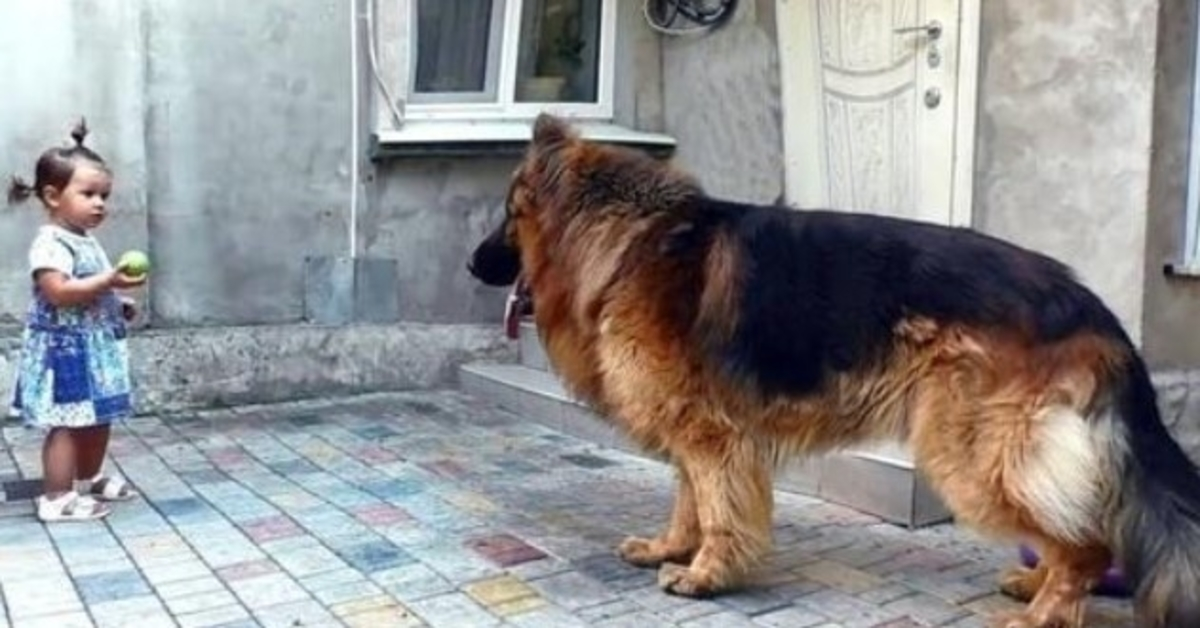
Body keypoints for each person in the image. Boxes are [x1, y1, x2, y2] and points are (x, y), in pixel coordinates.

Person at [7, 119, 145, 522]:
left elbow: (88, 291)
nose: (100, 203)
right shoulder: (50, 242)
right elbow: (59, 292)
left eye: (105, 195)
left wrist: (115, 302)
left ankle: (88, 476)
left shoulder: (85, 239)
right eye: (88, 194)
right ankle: (56, 497)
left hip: (94, 347)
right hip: (64, 351)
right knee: (67, 423)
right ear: (53, 196)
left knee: (98, 415)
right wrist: (110, 279)